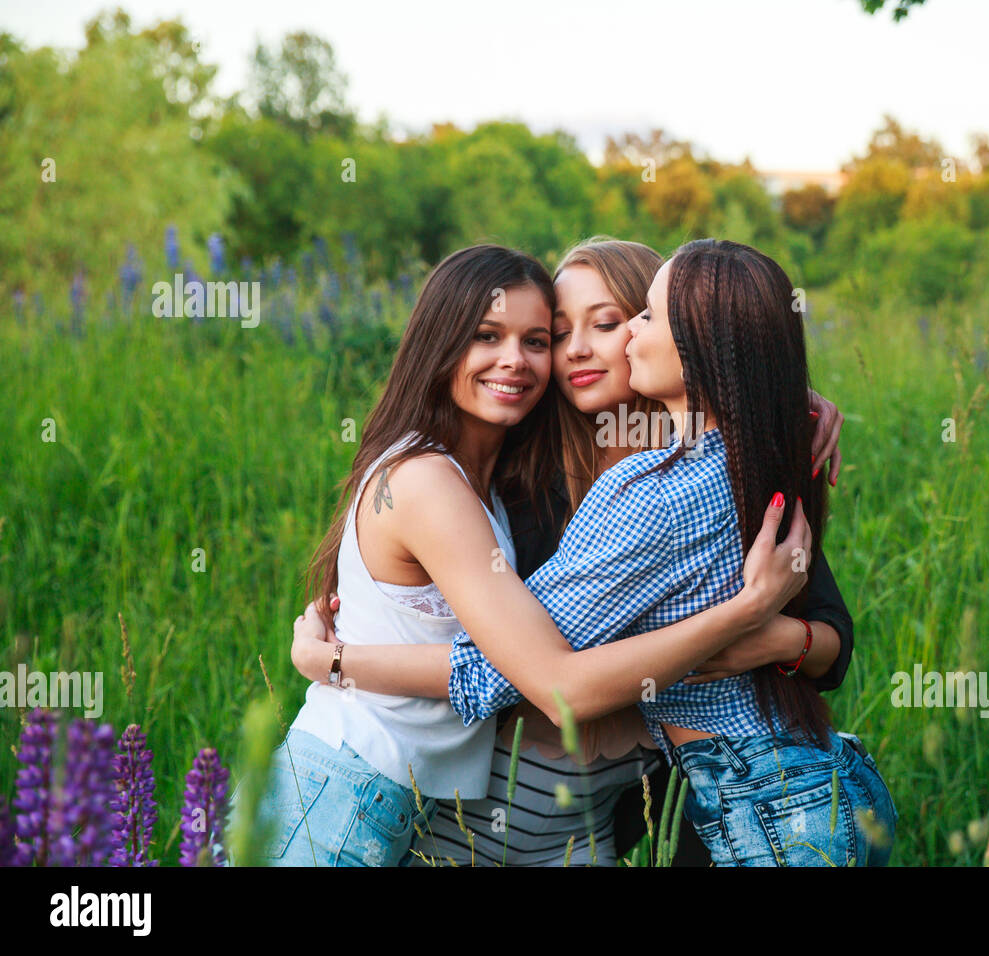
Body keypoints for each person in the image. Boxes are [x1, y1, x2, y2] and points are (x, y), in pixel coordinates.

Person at [295, 239, 897, 866]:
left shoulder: (705, 474)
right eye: (555, 335)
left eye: (616, 322)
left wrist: (765, 633)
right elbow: (480, 636)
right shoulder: (520, 469)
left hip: (707, 794)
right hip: (514, 797)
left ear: (685, 339)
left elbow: (830, 640)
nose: (573, 349)